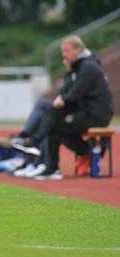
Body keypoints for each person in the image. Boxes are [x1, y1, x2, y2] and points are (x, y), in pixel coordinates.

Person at [13, 35, 113, 180]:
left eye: (67, 51)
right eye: (63, 52)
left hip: (96, 115)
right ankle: (37, 151)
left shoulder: (88, 67)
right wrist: (63, 96)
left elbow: (75, 93)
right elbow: (68, 92)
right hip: (85, 111)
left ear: (78, 50)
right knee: (51, 116)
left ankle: (41, 155)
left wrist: (63, 100)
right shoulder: (79, 67)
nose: (64, 55)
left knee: (53, 122)